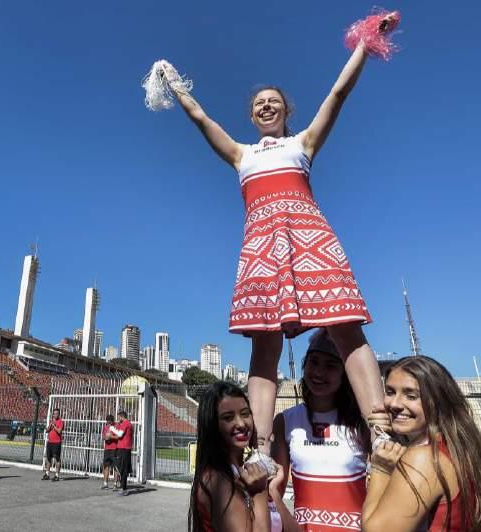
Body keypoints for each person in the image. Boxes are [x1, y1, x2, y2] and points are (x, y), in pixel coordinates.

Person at [161, 16, 398, 458]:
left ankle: (380, 430)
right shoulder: (240, 154)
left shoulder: (303, 144)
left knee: (346, 329)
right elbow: (198, 116)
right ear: (251, 115)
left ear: (286, 110)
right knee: (264, 349)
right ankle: (260, 449)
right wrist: (172, 82)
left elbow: (338, 94)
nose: (266, 107)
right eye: (258, 104)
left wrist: (367, 43)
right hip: (261, 248)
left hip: (310, 238)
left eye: (273, 102)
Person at [362, 356, 481, 531]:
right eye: (390, 392)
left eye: (411, 396)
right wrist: (393, 433)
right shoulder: (458, 447)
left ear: (438, 402)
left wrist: (380, 469)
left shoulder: (424, 459)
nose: (394, 404)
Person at [271, 330, 369, 531]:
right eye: (313, 362)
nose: (319, 372)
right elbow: (275, 493)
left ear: (345, 373)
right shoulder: (285, 420)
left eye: (331, 366)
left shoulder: (361, 421)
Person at [188, 381, 280, 532]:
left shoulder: (245, 473)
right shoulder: (218, 480)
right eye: (228, 417)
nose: (241, 423)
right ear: (212, 425)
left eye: (245, 414)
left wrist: (273, 490)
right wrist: (259, 493)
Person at [111, 410, 134, 496]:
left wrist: (112, 429)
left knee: (123, 469)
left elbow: (120, 435)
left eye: (119, 417)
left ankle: (123, 489)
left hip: (124, 449)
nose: (118, 419)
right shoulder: (127, 424)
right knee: (122, 468)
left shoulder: (125, 423)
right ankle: (123, 488)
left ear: (121, 416)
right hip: (124, 448)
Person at [42, 408, 64, 481]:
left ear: (59, 414)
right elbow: (47, 430)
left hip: (57, 443)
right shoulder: (52, 421)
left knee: (57, 459)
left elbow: (59, 431)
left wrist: (54, 426)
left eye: (57, 413)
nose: (55, 415)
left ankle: (57, 475)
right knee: (48, 458)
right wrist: (50, 426)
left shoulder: (61, 422)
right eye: (54, 413)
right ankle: (47, 474)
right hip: (50, 442)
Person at [101, 414, 119, 489]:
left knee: (115, 467)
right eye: (107, 421)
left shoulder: (116, 426)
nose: (109, 423)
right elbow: (103, 436)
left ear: (112, 421)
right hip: (107, 449)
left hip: (114, 448)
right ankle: (105, 483)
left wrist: (111, 437)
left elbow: (118, 437)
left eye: (110, 421)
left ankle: (115, 484)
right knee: (106, 466)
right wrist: (105, 438)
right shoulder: (105, 427)